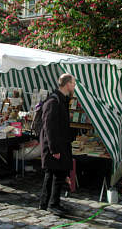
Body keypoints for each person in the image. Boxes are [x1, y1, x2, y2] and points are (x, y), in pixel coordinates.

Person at [39, 74, 76, 215]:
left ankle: (45, 203)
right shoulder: (53, 101)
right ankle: (53, 204)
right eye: (73, 83)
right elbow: (49, 127)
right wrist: (54, 148)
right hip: (53, 145)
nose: (74, 86)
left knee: (52, 174)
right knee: (57, 175)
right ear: (67, 84)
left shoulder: (61, 99)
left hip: (58, 144)